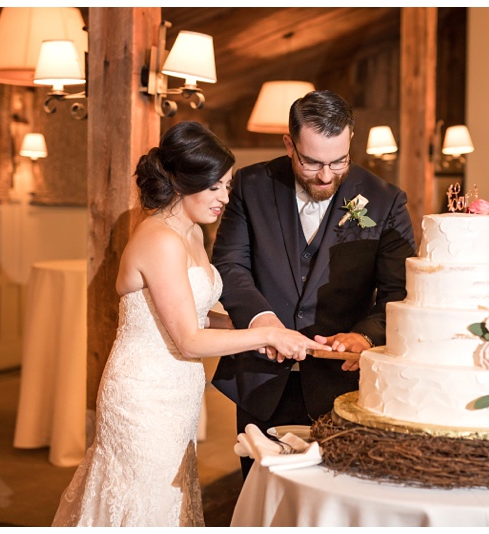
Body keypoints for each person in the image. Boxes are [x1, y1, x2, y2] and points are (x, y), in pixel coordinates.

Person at [54, 122, 329, 526]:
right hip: (143, 394)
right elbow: (187, 339)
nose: (224, 197)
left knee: (168, 498)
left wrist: (261, 333)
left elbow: (195, 314)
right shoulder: (159, 239)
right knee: (141, 502)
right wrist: (265, 333)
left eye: (228, 185)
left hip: (178, 393)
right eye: (215, 187)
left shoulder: (193, 234)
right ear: (183, 183)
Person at [210, 90, 416, 476]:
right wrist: (262, 322)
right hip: (262, 376)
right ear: (289, 144)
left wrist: (366, 337)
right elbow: (229, 263)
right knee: (262, 495)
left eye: (338, 161)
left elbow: (399, 291)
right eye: (312, 162)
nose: (325, 175)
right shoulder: (250, 185)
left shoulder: (385, 201)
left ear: (351, 139)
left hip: (342, 382)